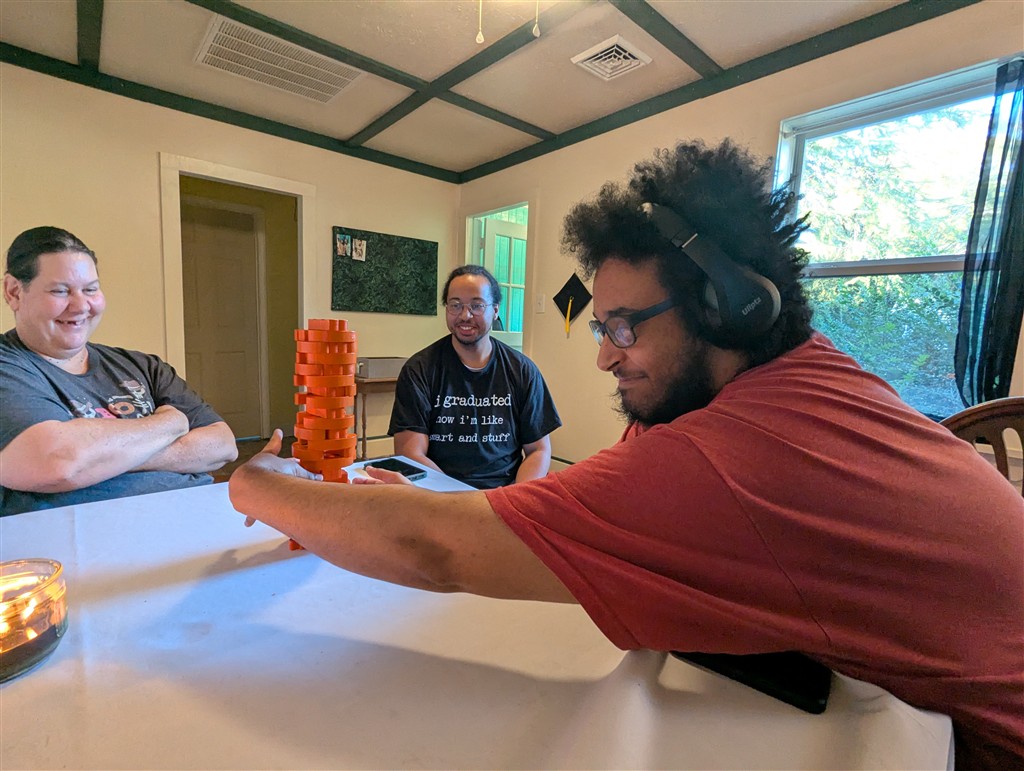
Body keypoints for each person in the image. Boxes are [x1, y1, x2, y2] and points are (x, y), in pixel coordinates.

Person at [229, 140, 1023, 769]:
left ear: (724, 306)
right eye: (601, 325)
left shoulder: (730, 454)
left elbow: (431, 547)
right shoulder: (806, 372)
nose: (605, 355)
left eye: (623, 326)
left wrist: (257, 481)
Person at [1, 227, 238, 515]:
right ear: (14, 292)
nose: (81, 306)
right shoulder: (9, 366)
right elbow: (57, 462)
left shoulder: (142, 365)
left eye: (90, 289)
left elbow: (222, 445)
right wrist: (170, 423)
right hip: (79, 535)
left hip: (194, 518)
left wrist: (101, 458)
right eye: (60, 291)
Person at [387, 264, 561, 488]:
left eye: (477, 306)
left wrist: (516, 497)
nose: (465, 315)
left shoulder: (522, 371)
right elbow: (410, 453)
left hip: (504, 493)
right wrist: (459, 498)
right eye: (455, 305)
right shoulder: (419, 370)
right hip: (438, 494)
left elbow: (538, 449)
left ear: (495, 310)